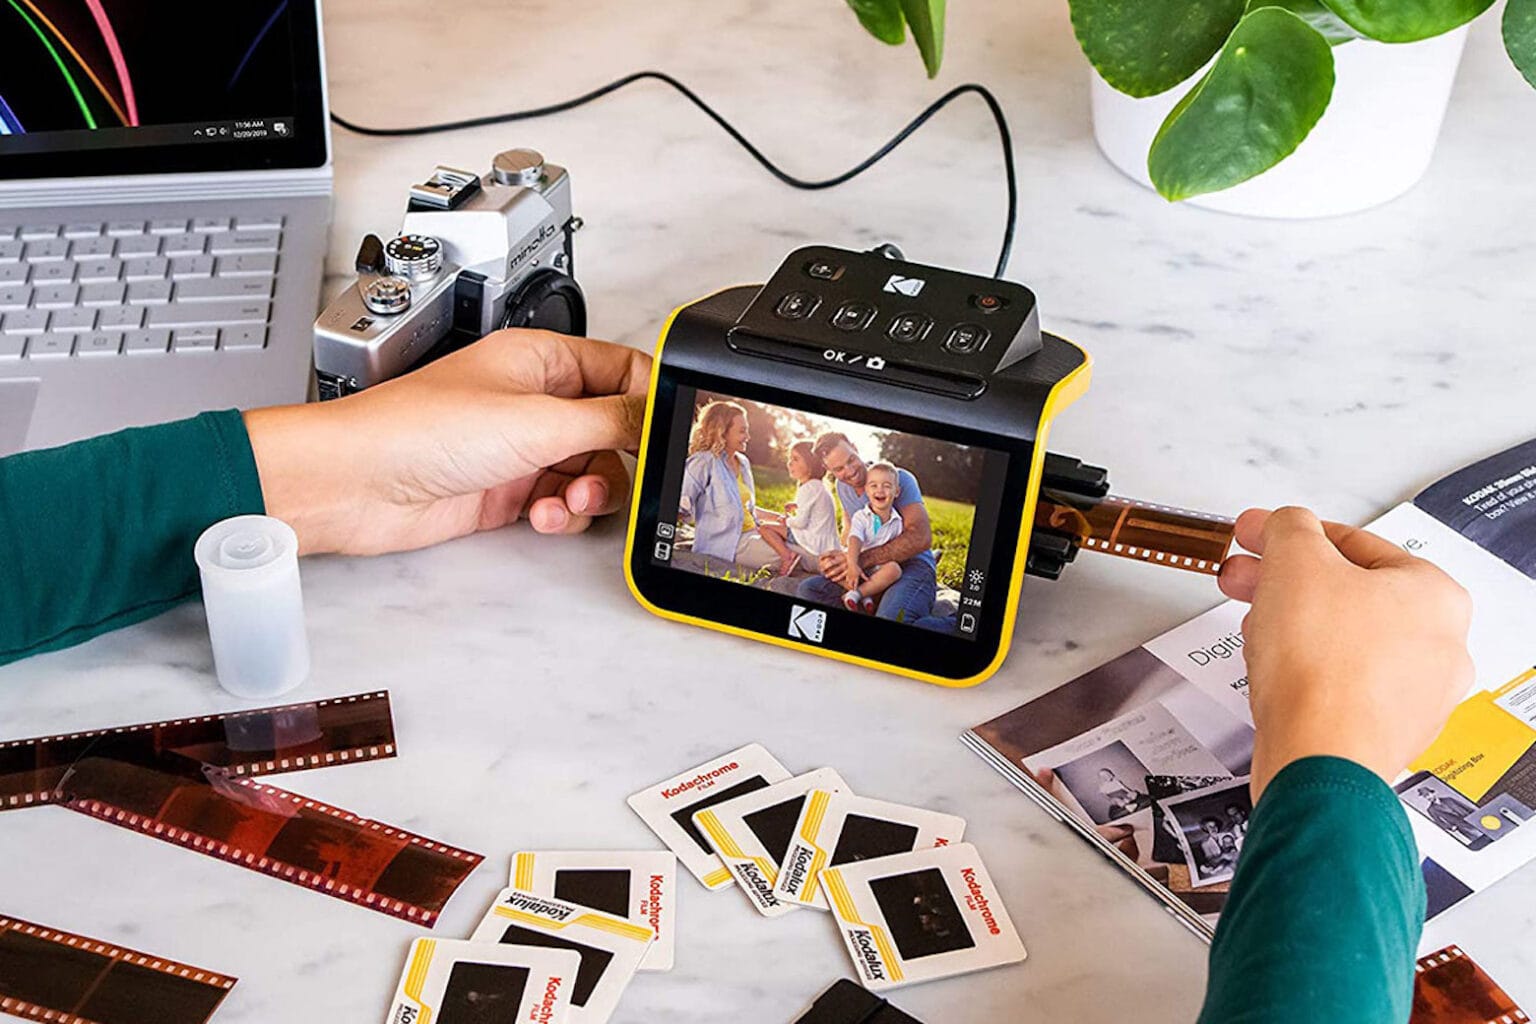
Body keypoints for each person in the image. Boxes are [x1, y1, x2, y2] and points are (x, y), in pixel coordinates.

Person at [0, 328, 1478, 1024]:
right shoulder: (794, 492)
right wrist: (1337, 763)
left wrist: (294, 477)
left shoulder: (871, 503)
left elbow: (866, 536)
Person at [794, 432, 952, 630]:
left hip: (913, 566)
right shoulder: (842, 486)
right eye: (839, 469)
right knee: (809, 590)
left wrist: (859, 560)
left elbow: (921, 537)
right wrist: (841, 559)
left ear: (855, 446)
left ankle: (957, 623)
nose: (850, 472)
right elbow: (852, 529)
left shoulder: (897, 478)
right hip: (871, 571)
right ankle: (874, 604)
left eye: (851, 460)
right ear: (828, 469)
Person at [675, 400, 797, 575]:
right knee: (792, 554)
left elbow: (747, 510)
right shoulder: (703, 462)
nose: (747, 437)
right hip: (730, 544)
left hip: (754, 532)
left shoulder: (743, 462)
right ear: (722, 432)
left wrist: (780, 518)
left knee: (800, 541)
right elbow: (680, 505)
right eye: (742, 431)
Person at [835, 462, 905, 614]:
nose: (880, 490)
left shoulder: (897, 521)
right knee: (830, 563)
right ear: (866, 490)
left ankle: (857, 594)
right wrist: (853, 564)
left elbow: (897, 548)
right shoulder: (861, 516)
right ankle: (867, 595)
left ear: (897, 491)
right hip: (857, 560)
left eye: (886, 486)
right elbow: (854, 538)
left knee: (895, 570)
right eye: (873, 485)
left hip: (877, 567)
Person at [755, 440, 839, 567]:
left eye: (795, 459)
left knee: (764, 527)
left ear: (810, 464)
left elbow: (800, 523)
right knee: (778, 525)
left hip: (813, 542)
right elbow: (815, 511)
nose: (789, 463)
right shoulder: (818, 486)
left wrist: (786, 520)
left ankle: (787, 557)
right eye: (789, 459)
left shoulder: (808, 488)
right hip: (825, 542)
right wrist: (797, 506)